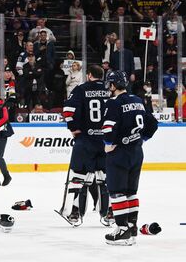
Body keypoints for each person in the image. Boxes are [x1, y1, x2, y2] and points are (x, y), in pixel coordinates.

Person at [102, 71, 158, 245]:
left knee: (117, 191)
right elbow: (153, 124)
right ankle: (132, 227)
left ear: (112, 85)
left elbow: (109, 128)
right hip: (136, 152)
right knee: (130, 192)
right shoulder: (138, 100)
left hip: (119, 153)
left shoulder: (113, 102)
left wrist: (108, 142)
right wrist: (142, 139)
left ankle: (122, 229)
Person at [61, 65, 112, 227]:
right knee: (106, 178)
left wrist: (74, 129)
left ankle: (76, 212)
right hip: (106, 141)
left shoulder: (81, 89)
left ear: (89, 75)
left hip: (86, 140)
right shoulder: (110, 90)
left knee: (79, 178)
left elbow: (68, 111)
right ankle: (109, 212)